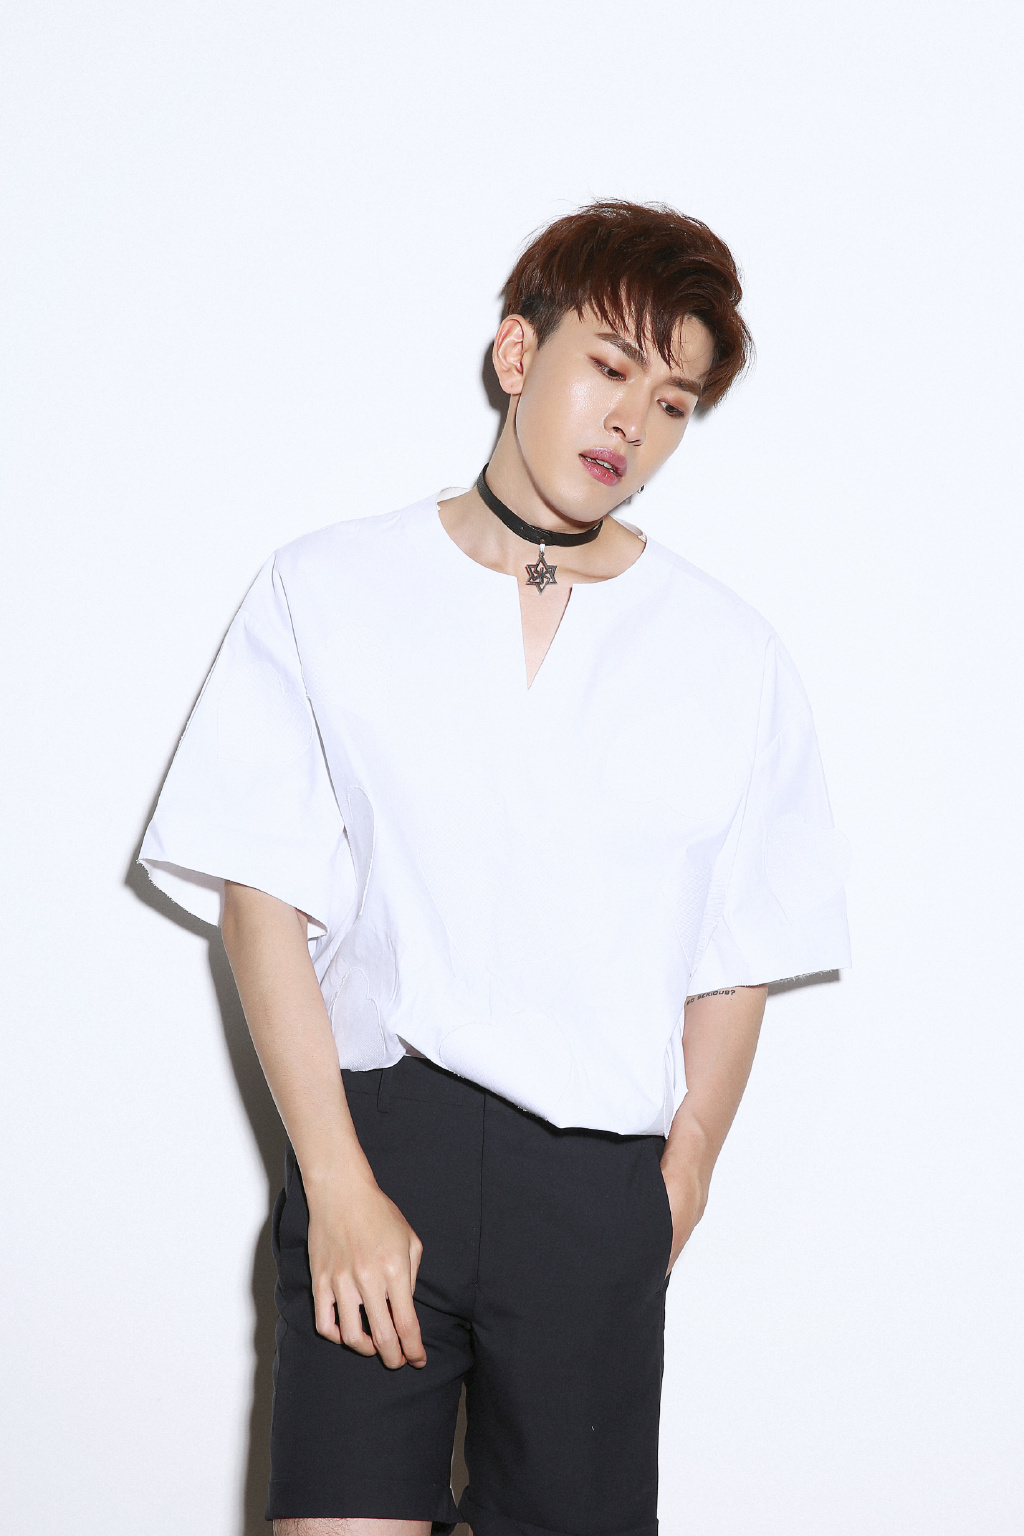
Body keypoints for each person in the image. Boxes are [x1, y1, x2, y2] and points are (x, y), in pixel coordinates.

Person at [140, 199, 851, 1536]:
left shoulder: (727, 654)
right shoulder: (327, 586)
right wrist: (337, 1186)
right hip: (378, 1149)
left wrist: (682, 1177)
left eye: (674, 402)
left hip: (595, 1187)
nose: (633, 422)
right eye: (611, 367)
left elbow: (739, 950)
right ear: (518, 354)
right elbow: (259, 901)